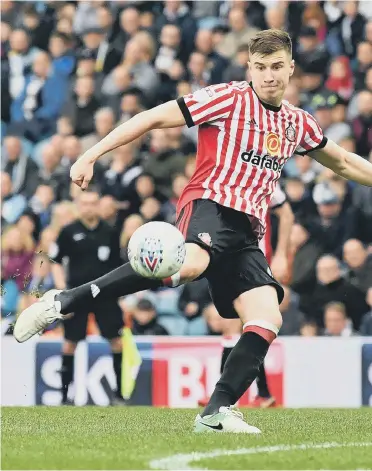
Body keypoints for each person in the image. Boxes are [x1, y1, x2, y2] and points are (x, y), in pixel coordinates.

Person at [14, 29, 372, 433]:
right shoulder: (226, 98)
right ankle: (63, 301)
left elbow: (343, 162)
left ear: (291, 69)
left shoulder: (296, 123)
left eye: (276, 67)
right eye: (260, 67)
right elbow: (151, 118)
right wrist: (91, 153)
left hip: (246, 233)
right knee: (190, 264)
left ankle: (215, 412)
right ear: (248, 68)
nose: (268, 76)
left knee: (267, 317)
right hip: (209, 205)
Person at [198, 184, 294, 408]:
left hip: (254, 259)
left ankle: (225, 395)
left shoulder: (262, 176)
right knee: (243, 325)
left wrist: (280, 254)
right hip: (232, 258)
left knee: (242, 324)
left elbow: (286, 213)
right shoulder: (224, 181)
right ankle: (262, 393)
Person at [47, 186, 124, 405]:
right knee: (70, 342)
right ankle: (64, 397)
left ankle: (119, 395)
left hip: (105, 293)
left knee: (116, 341)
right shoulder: (68, 231)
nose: (88, 207)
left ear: (99, 205)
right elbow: (55, 261)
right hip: (77, 294)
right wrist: (62, 289)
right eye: (85, 203)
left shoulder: (110, 232)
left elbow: (118, 265)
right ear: (79, 206)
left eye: (93, 203)